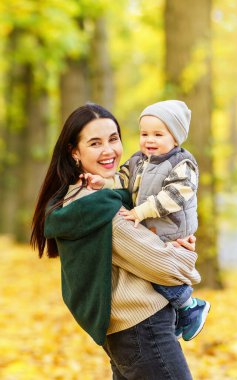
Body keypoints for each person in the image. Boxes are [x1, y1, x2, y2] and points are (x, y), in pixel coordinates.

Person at [31, 103, 201, 380]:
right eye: (95, 143)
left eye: (113, 139)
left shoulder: (78, 198)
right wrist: (186, 253)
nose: (109, 151)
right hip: (143, 327)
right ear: (74, 151)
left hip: (125, 330)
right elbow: (172, 269)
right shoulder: (102, 210)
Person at [85, 100, 210, 341]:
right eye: (144, 134)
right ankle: (179, 313)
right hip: (152, 227)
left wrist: (141, 211)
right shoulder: (138, 160)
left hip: (172, 227)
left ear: (175, 138)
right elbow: (123, 180)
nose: (149, 140)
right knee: (149, 270)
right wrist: (104, 183)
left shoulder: (182, 164)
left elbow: (174, 197)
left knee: (155, 268)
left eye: (158, 134)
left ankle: (189, 305)